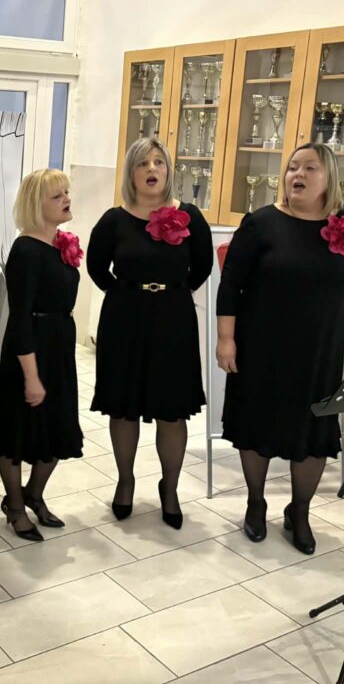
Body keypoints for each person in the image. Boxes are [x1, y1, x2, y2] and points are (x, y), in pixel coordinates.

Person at [216, 142, 344, 554]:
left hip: (320, 350)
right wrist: (226, 338)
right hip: (261, 346)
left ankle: (299, 511)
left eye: (309, 168)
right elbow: (231, 284)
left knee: (313, 429)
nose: (297, 174)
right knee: (256, 425)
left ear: (330, 177)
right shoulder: (261, 224)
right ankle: (255, 503)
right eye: (292, 167)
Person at [87, 138, 212, 528]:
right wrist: (124, 295)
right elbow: (95, 267)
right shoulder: (113, 220)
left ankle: (169, 488)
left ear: (168, 170)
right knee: (123, 406)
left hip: (174, 320)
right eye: (143, 163)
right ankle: (125, 481)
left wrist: (172, 293)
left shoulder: (190, 216)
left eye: (159, 162)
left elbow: (203, 266)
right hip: (124, 320)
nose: (152, 169)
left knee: (171, 410)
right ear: (132, 172)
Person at [0, 168, 84, 541]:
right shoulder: (26, 250)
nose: (66, 199)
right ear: (36, 204)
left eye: (66, 192)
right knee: (17, 432)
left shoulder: (59, 244)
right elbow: (19, 318)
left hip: (59, 345)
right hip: (29, 349)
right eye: (56, 195)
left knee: (59, 427)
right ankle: (15, 505)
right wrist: (31, 376)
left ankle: (33, 493)